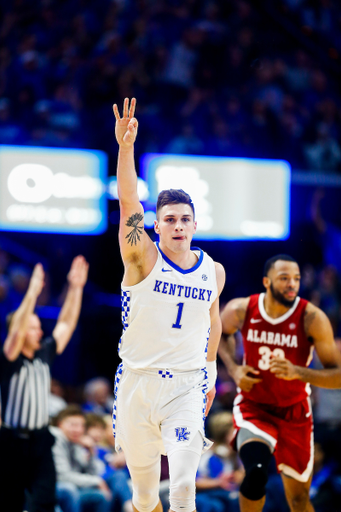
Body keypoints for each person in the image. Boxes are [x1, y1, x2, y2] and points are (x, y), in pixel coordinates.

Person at [112, 97, 225, 512]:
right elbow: (128, 205)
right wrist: (126, 148)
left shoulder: (213, 271)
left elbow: (212, 324)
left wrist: (210, 376)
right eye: (170, 219)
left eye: (185, 219)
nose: (178, 225)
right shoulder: (141, 257)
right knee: (144, 499)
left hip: (186, 387)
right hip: (138, 384)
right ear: (155, 226)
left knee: (181, 488)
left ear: (195, 224)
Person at [218, 254, 341, 512]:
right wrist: (234, 369)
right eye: (284, 278)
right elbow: (219, 334)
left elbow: (337, 374)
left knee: (298, 500)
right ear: (266, 281)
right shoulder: (241, 309)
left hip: (295, 413)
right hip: (255, 407)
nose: (292, 284)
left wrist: (300, 372)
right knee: (256, 474)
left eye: (296, 279)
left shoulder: (312, 318)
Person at [0, 255, 89, 512]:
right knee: (10, 503)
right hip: (11, 442)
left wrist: (76, 288)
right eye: (33, 328)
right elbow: (15, 333)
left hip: (40, 442)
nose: (40, 332)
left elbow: (66, 324)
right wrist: (32, 292)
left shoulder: (44, 353)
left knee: (45, 503)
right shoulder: (9, 358)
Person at [51, 405, 112, 512]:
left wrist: (91, 452)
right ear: (60, 424)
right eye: (73, 425)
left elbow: (92, 473)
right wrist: (97, 481)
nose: (78, 430)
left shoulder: (75, 441)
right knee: (69, 490)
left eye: (81, 426)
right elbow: (63, 476)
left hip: (72, 487)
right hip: (52, 487)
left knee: (100, 496)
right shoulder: (56, 438)